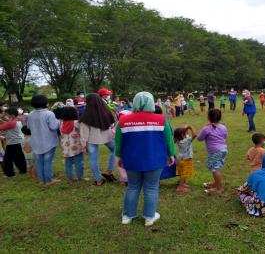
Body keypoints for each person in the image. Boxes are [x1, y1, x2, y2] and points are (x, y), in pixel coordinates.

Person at [116, 92, 175, 226]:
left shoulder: (123, 121)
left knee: (132, 186)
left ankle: (127, 216)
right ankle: (149, 217)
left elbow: (118, 142)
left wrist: (119, 157)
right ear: (151, 102)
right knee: (151, 187)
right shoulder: (161, 120)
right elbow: (168, 140)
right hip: (155, 160)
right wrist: (171, 154)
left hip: (131, 160)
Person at [79, 93, 116, 186]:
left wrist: (84, 144)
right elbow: (112, 123)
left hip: (92, 139)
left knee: (93, 159)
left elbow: (84, 132)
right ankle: (108, 171)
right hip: (107, 136)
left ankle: (98, 180)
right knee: (115, 150)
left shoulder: (86, 115)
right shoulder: (106, 111)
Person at [27, 95, 60, 185]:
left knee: (39, 161)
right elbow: (54, 126)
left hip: (36, 142)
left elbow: (29, 127)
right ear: (46, 103)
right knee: (47, 161)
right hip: (48, 141)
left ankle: (41, 180)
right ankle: (48, 180)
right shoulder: (49, 114)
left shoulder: (30, 115)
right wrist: (58, 121)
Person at [197, 109, 228, 194]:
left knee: (215, 169)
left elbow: (199, 138)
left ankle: (219, 188)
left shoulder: (207, 129)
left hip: (215, 152)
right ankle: (216, 184)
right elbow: (225, 136)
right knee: (217, 167)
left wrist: (205, 126)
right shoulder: (223, 127)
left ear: (209, 117)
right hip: (223, 150)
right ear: (220, 117)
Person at [0, 108, 27, 177]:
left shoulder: (11, 123)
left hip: (13, 143)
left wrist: (2, 119)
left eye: (7, 115)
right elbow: (8, 122)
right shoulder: (17, 121)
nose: (5, 116)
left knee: (7, 159)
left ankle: (9, 173)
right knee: (19, 158)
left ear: (12, 115)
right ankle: (23, 170)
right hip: (18, 142)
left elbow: (1, 127)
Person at [60, 106, 84, 181]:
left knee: (68, 164)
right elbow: (82, 132)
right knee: (79, 163)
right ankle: (80, 177)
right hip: (76, 147)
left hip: (66, 147)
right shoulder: (76, 123)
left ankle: (70, 177)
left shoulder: (61, 123)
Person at [174, 126, 197, 193]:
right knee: (184, 173)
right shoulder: (187, 140)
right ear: (182, 135)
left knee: (182, 172)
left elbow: (178, 136)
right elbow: (195, 135)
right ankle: (180, 187)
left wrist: (185, 129)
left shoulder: (178, 140)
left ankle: (183, 183)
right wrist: (190, 128)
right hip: (186, 159)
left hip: (180, 159)